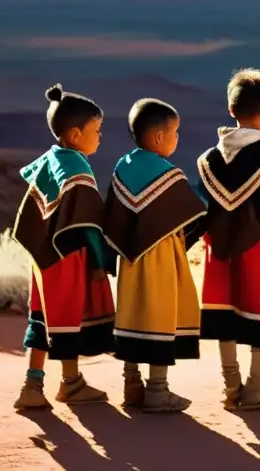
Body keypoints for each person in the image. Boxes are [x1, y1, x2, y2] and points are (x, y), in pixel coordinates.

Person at [194, 68, 260, 411]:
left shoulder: (209, 161)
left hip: (219, 251)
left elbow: (200, 208)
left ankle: (230, 385)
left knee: (225, 314)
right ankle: (259, 386)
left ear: (230, 110)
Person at [12, 84, 117, 410]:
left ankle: (32, 384)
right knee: (67, 318)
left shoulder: (50, 160)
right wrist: (103, 261)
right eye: (95, 130)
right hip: (68, 258)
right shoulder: (76, 168)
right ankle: (71, 383)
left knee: (43, 317)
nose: (100, 136)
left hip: (44, 259)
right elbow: (86, 222)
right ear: (74, 134)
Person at [104, 98, 208, 413]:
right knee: (160, 316)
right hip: (162, 260)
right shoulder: (169, 175)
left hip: (131, 263)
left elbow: (113, 219)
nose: (178, 138)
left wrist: (113, 257)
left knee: (133, 315)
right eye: (175, 132)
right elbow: (196, 215)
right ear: (160, 138)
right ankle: (158, 391)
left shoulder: (122, 167)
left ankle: (131, 385)